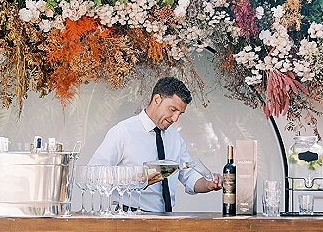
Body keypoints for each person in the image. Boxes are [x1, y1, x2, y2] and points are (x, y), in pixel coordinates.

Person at [88, 77, 222, 212]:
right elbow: (94, 173)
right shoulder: (123, 132)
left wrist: (207, 184)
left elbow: (189, 176)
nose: (175, 118)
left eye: (180, 113)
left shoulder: (175, 138)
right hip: (130, 219)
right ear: (157, 100)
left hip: (167, 220)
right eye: (172, 109)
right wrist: (136, 178)